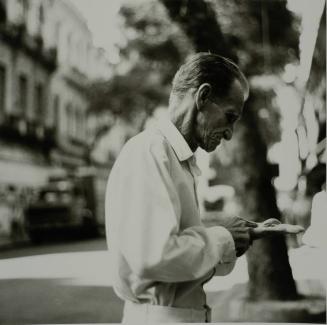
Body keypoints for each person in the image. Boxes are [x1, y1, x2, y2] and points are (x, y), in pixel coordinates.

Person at [105, 52, 256, 323]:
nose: (230, 133)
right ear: (203, 97)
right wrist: (223, 238)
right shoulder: (150, 151)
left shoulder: (177, 159)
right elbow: (155, 256)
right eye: (229, 116)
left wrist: (236, 239)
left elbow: (180, 270)